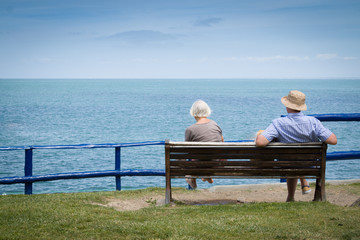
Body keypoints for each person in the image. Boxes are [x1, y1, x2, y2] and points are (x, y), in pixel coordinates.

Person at [256, 90, 337, 202]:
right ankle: (303, 191)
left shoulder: (279, 123)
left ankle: (290, 197)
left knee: (291, 162)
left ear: (287, 106)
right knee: (297, 161)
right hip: (310, 165)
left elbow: (260, 142)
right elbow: (333, 140)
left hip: (286, 165)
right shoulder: (313, 122)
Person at [185, 100, 224, 189]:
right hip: (217, 164)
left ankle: (192, 178)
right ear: (207, 111)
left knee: (193, 156)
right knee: (209, 154)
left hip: (200, 165)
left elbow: (186, 149)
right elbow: (222, 141)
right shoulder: (215, 125)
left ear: (193, 113)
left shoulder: (190, 129)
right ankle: (207, 175)